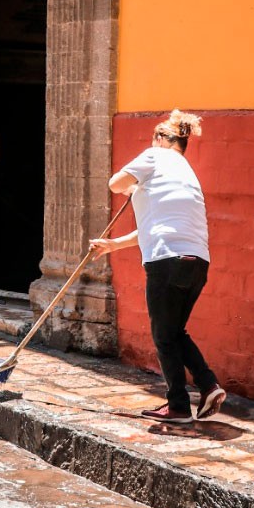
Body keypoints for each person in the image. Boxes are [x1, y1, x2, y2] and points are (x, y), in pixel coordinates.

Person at [90, 109, 227, 424]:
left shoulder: (155, 156)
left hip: (166, 262)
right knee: (174, 331)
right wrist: (113, 244)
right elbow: (157, 228)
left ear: (162, 139)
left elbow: (114, 183)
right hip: (196, 263)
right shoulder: (186, 172)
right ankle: (208, 386)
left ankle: (178, 406)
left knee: (164, 336)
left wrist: (132, 186)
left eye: (153, 139)